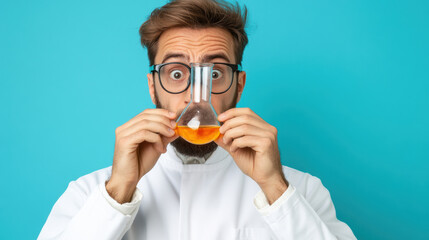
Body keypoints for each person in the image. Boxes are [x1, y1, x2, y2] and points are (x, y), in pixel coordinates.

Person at [38, 0, 357, 239]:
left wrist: (274, 188)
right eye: (176, 73)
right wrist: (119, 190)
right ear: (153, 87)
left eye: (215, 73)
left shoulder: (300, 190)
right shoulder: (89, 193)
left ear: (239, 85)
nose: (195, 96)